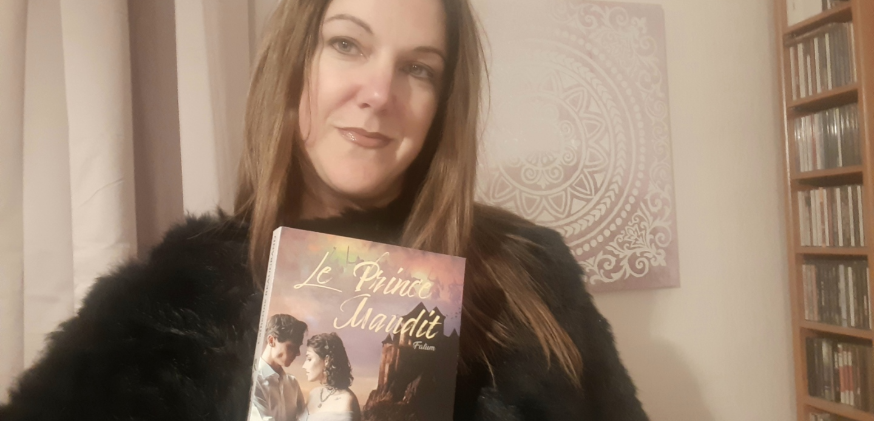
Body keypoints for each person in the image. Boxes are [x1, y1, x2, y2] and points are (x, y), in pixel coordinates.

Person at [0, 0, 650, 420]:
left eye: (419, 69)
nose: (379, 93)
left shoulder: (530, 278)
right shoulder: (168, 302)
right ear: (294, 66)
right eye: (347, 45)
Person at [250, 314, 309, 421]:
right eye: (291, 347)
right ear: (271, 341)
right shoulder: (253, 381)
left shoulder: (293, 383)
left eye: (298, 347)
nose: (298, 353)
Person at [299, 333, 360, 421]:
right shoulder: (313, 394)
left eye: (309, 359)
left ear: (327, 360)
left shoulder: (345, 400)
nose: (304, 366)